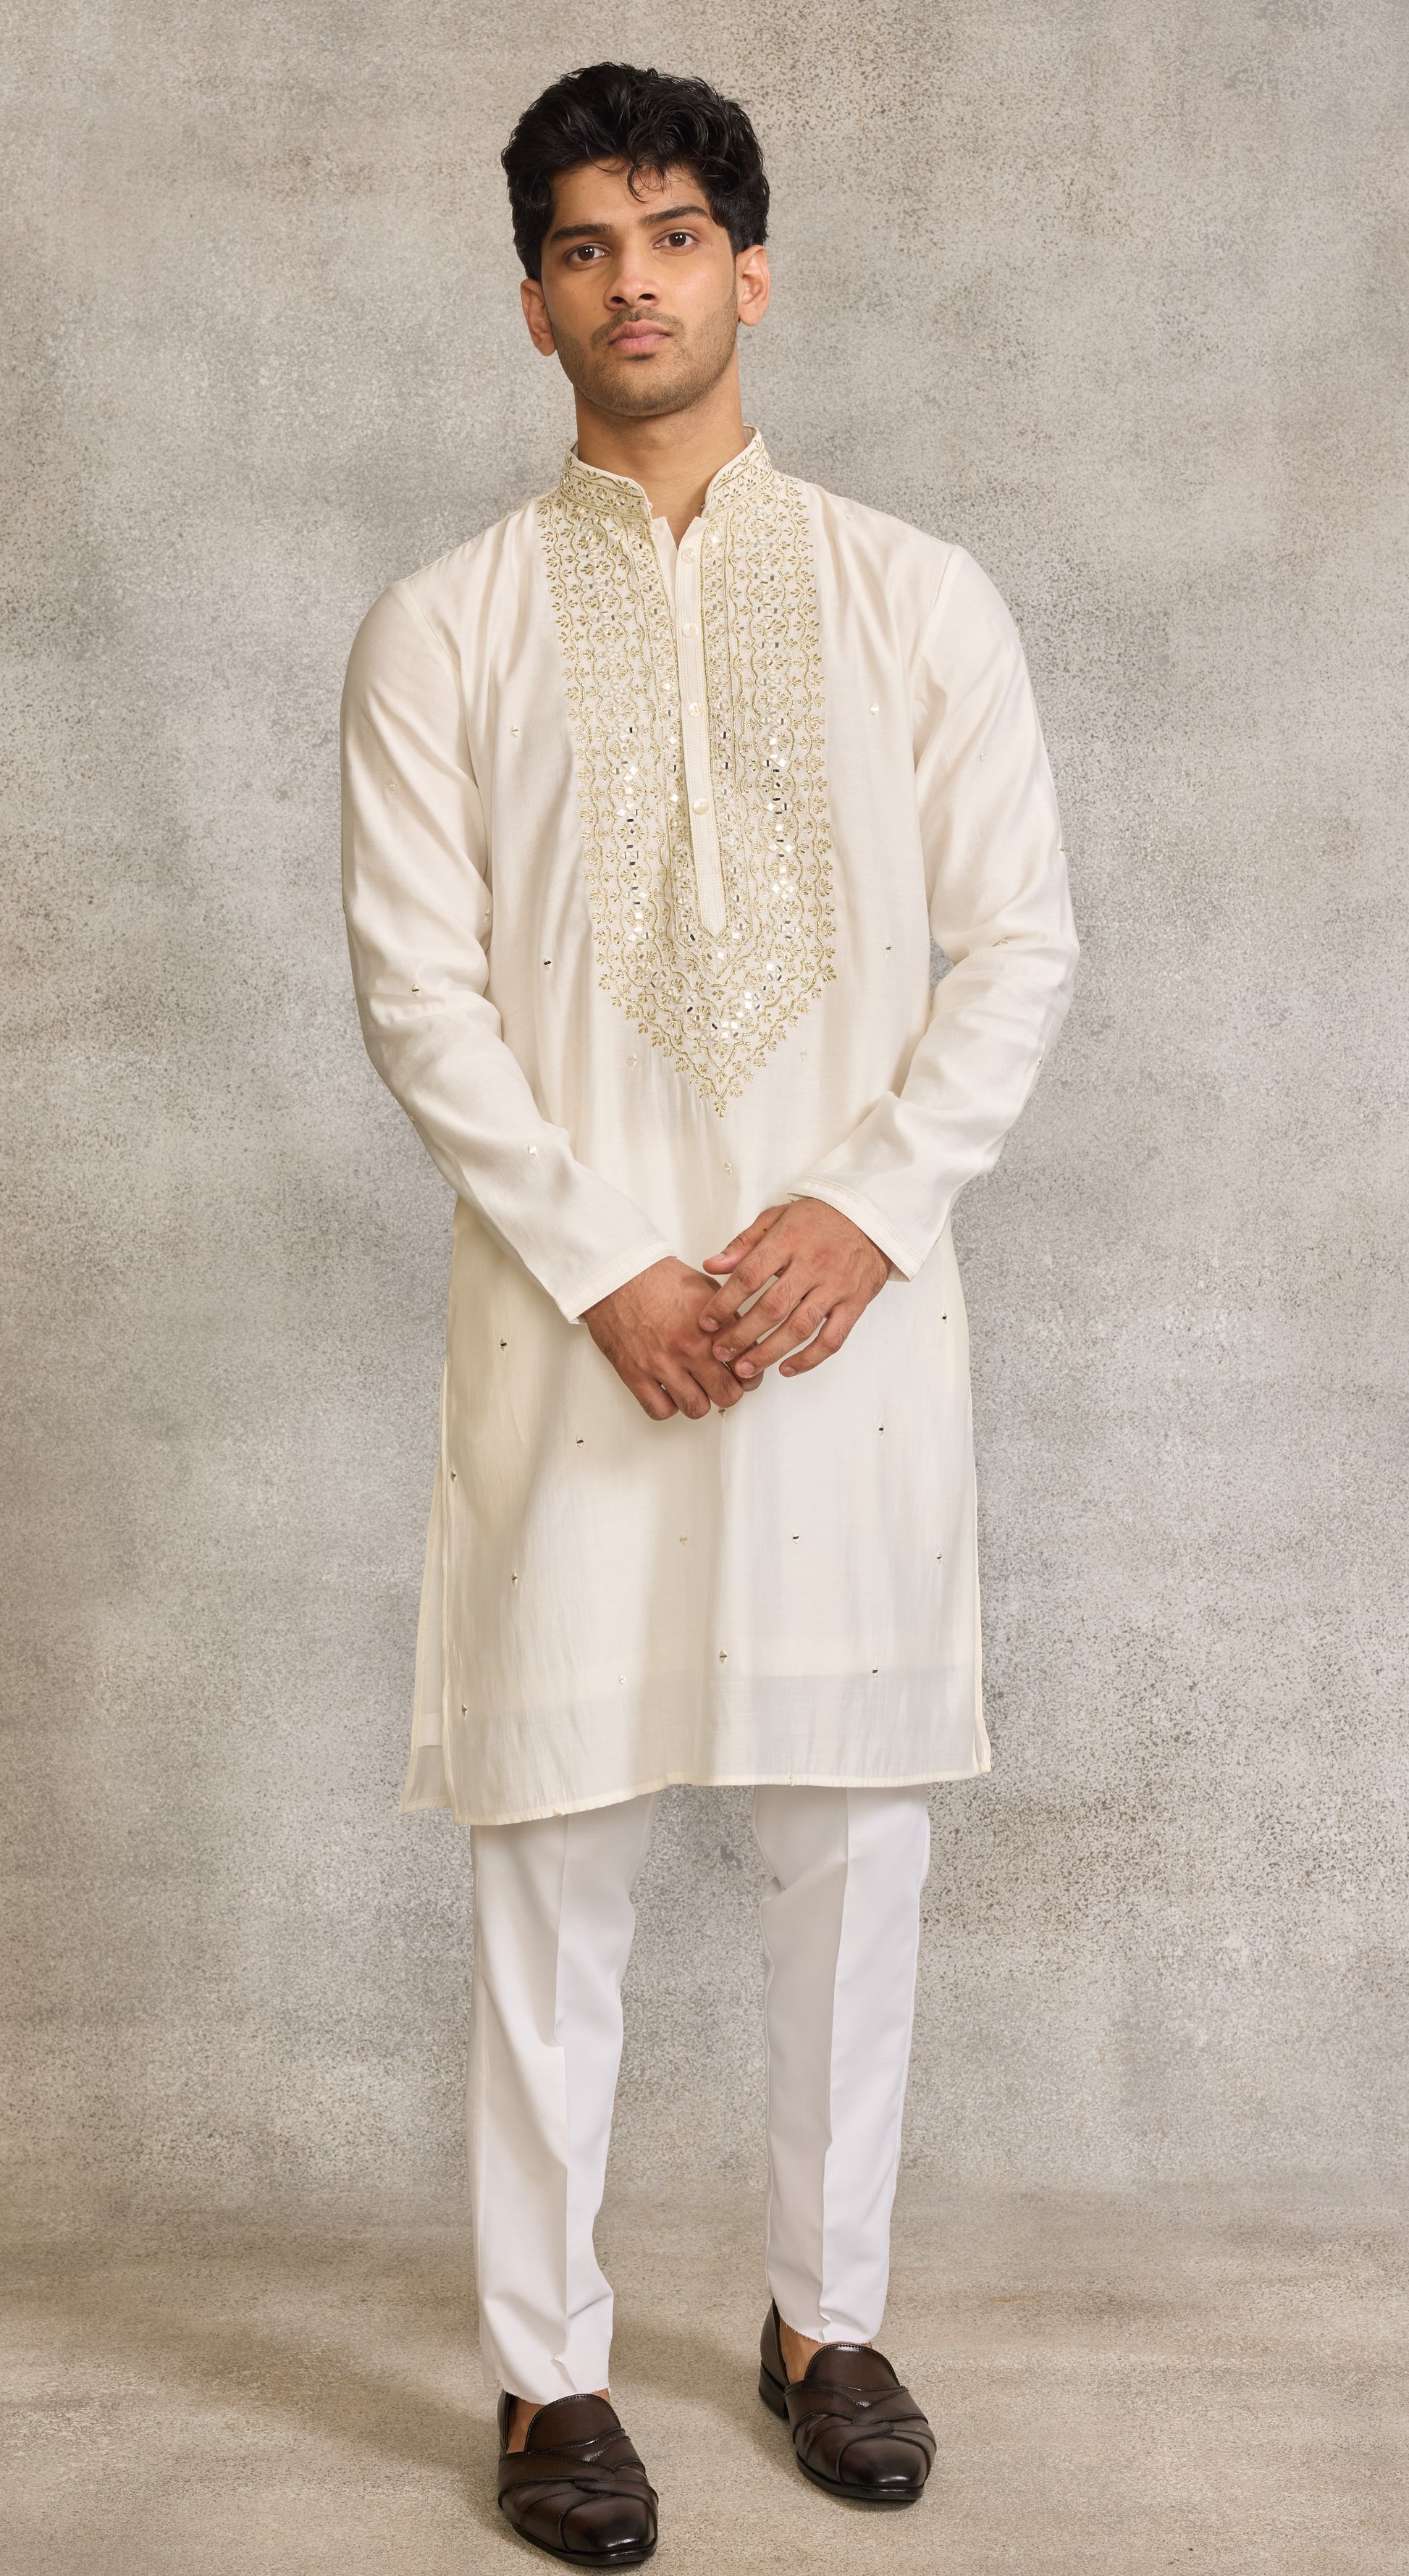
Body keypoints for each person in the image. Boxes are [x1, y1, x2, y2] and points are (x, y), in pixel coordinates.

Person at [341, 58, 1077, 2566]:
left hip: (834, 1327)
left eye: (670, 235)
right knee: (550, 1857)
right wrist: (604, 1263)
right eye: (581, 244)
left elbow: (1018, 947)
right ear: (529, 298)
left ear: (749, 270)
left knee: (849, 1847)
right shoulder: (444, 623)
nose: (629, 280)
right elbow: (419, 992)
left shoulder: (910, 593)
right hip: (577, 1335)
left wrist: (864, 1212)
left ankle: (822, 2320)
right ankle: (548, 2375)